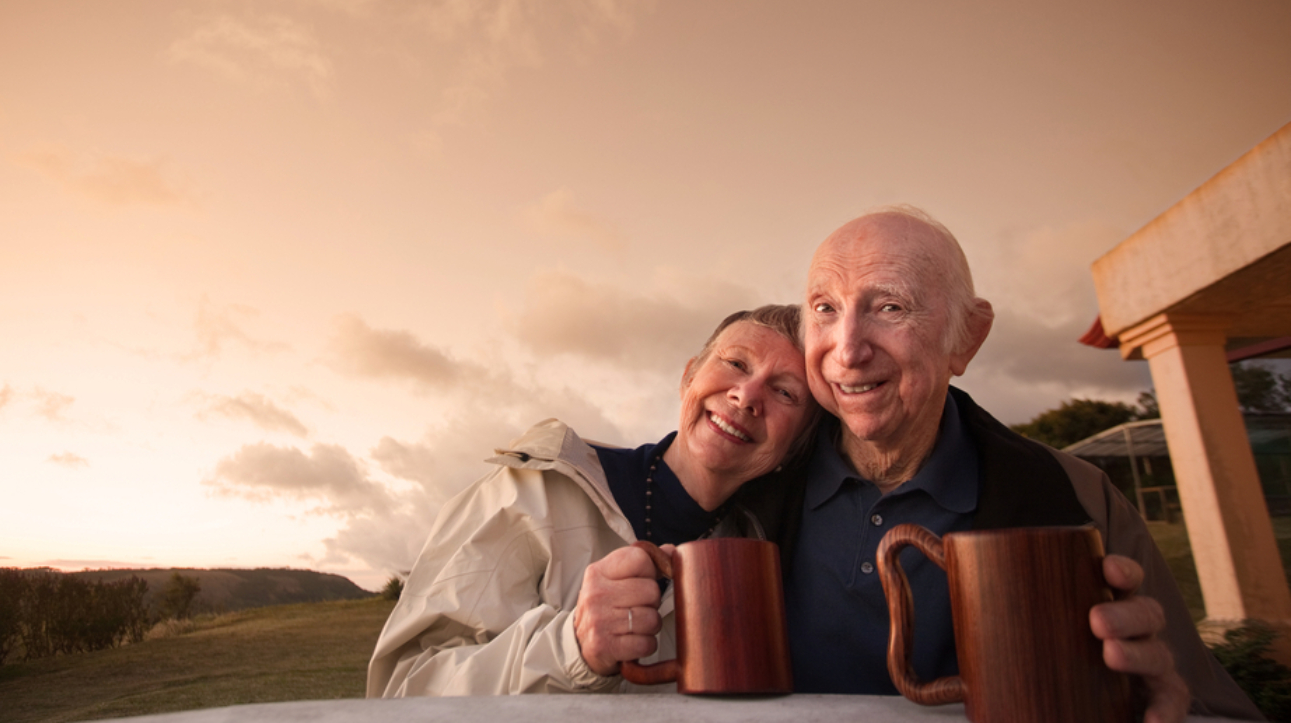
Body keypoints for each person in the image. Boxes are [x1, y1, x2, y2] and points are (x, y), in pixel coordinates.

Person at [764, 206, 1261, 721]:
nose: (846, 350)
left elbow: (1207, 701)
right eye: (824, 308)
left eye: (890, 307)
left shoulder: (1078, 496)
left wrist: (1156, 700)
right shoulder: (755, 480)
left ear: (967, 338)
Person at [367, 304, 820, 696]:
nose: (747, 395)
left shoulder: (755, 562)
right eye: (737, 364)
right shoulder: (532, 491)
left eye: (785, 392)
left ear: (794, 448)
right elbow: (402, 689)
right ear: (687, 378)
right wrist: (572, 648)